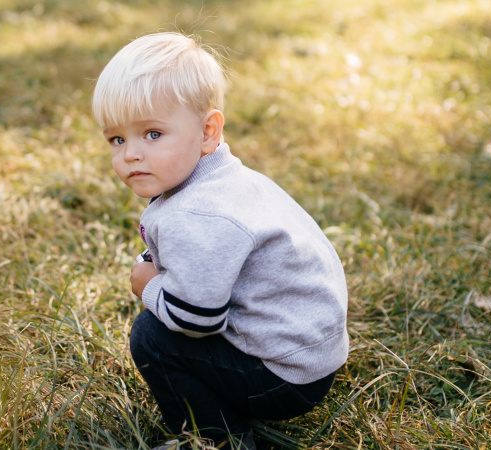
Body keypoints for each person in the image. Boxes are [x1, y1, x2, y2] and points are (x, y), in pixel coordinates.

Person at [91, 32, 349, 450]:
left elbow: (196, 320)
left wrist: (148, 285)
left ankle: (214, 438)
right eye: (117, 139)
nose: (131, 154)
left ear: (208, 131)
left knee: (152, 338)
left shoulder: (199, 213)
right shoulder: (225, 180)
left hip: (283, 378)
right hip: (309, 356)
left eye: (152, 134)